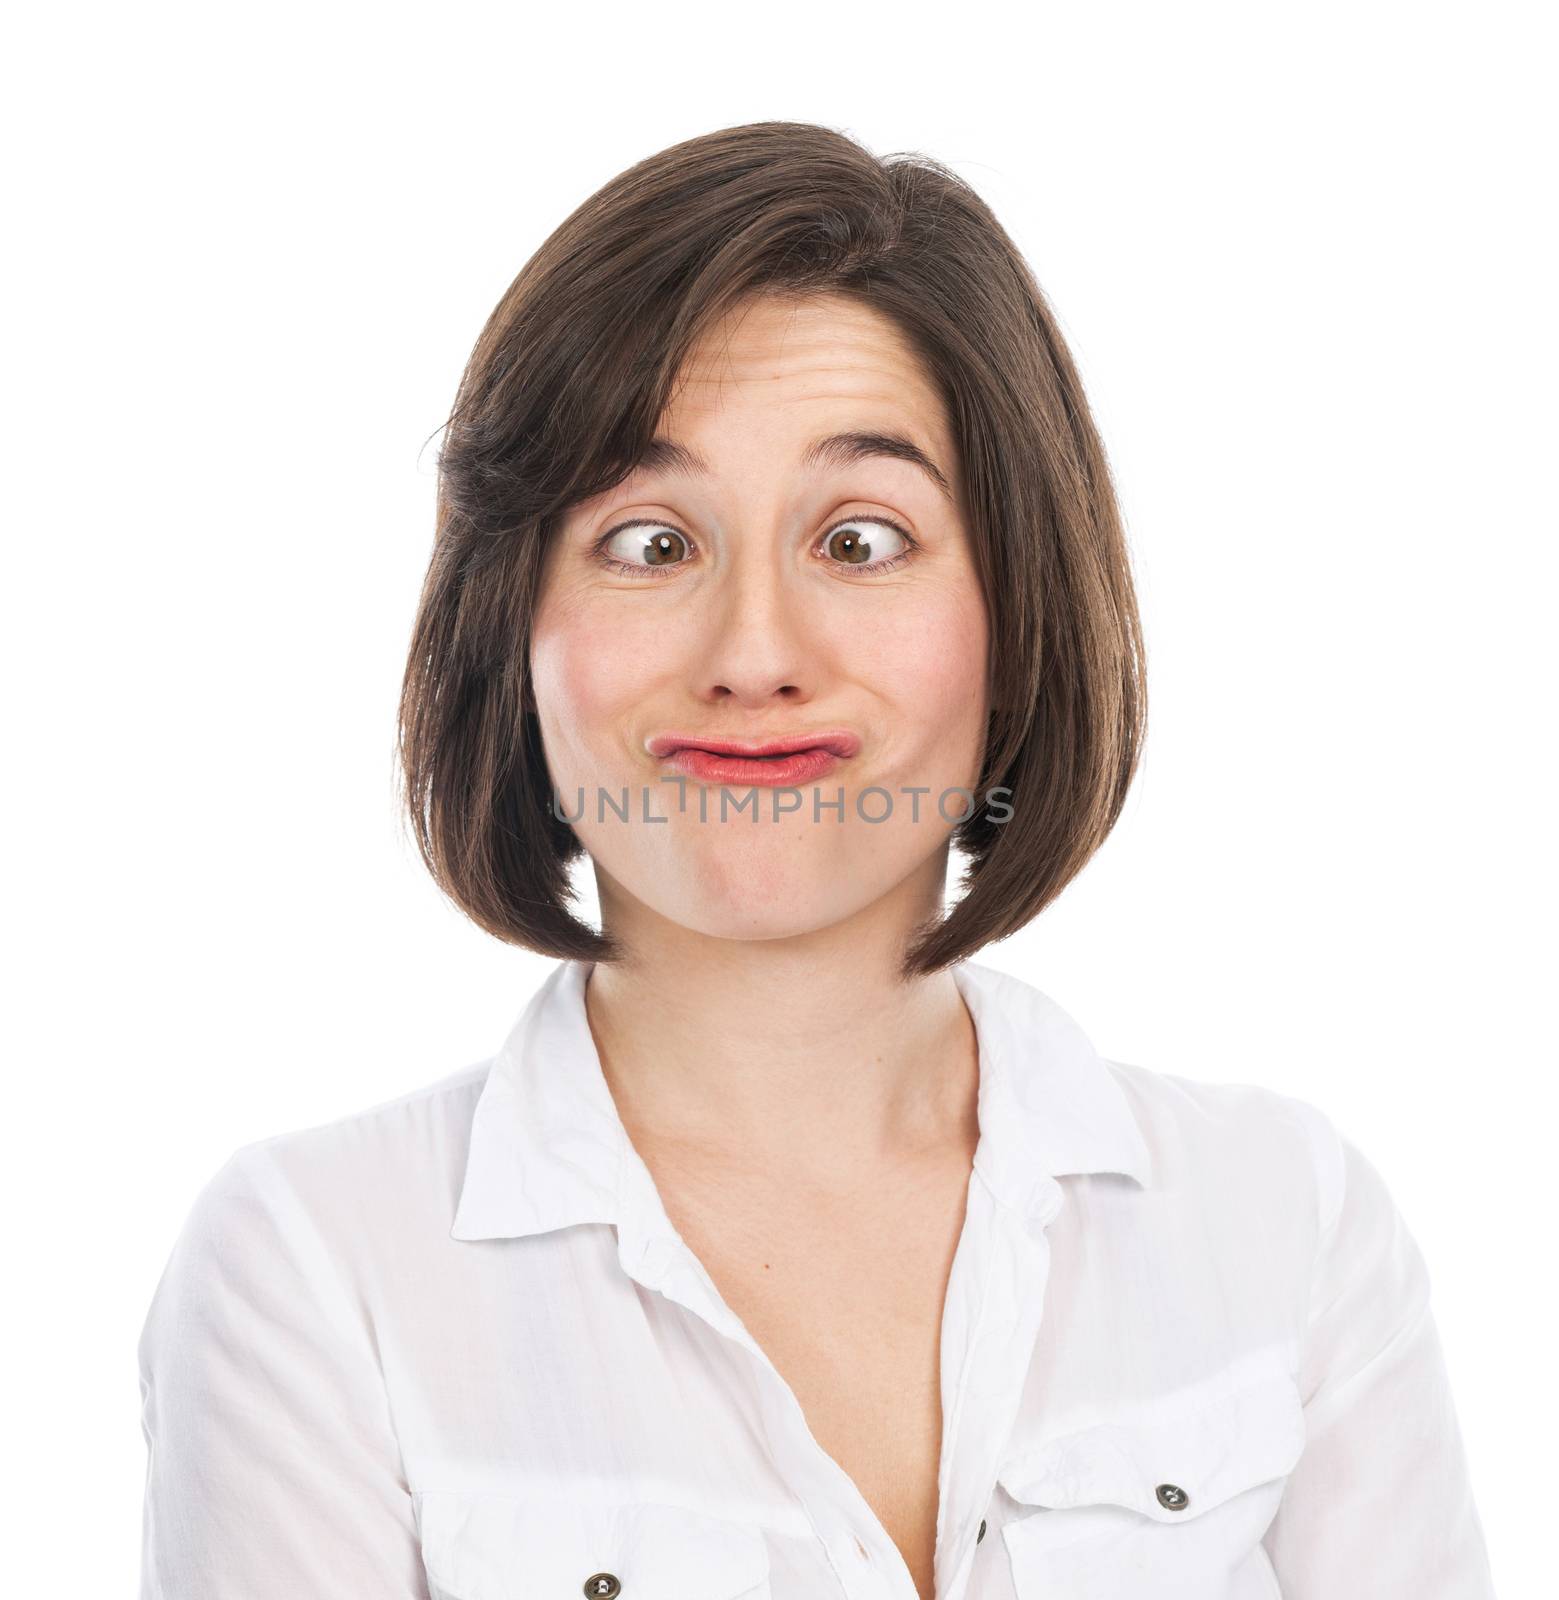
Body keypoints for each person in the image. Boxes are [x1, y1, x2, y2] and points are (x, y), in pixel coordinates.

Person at [137, 120, 1496, 1600]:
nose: (755, 655)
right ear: (510, 634)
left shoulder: (1284, 1223)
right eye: (651, 544)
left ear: (1019, 605)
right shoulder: (319, 1272)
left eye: (859, 540)